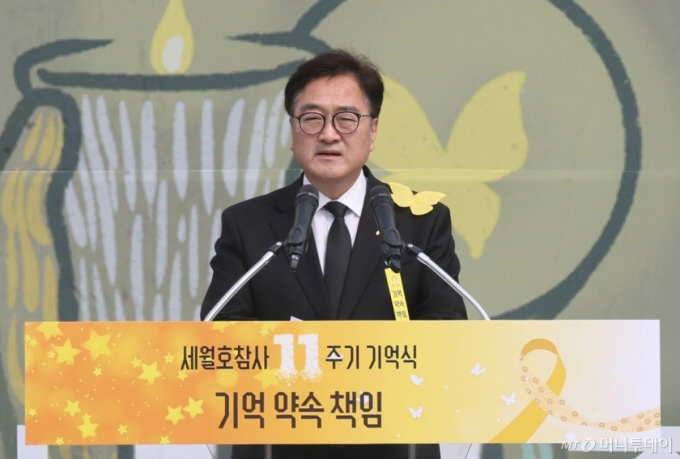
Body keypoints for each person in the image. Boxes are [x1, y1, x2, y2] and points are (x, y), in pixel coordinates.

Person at [201, 50, 466, 459]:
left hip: (394, 444)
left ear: (373, 130)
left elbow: (447, 330)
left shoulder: (419, 222)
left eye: (346, 118)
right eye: (312, 118)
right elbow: (222, 334)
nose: (328, 134)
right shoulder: (248, 223)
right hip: (280, 445)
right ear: (293, 131)